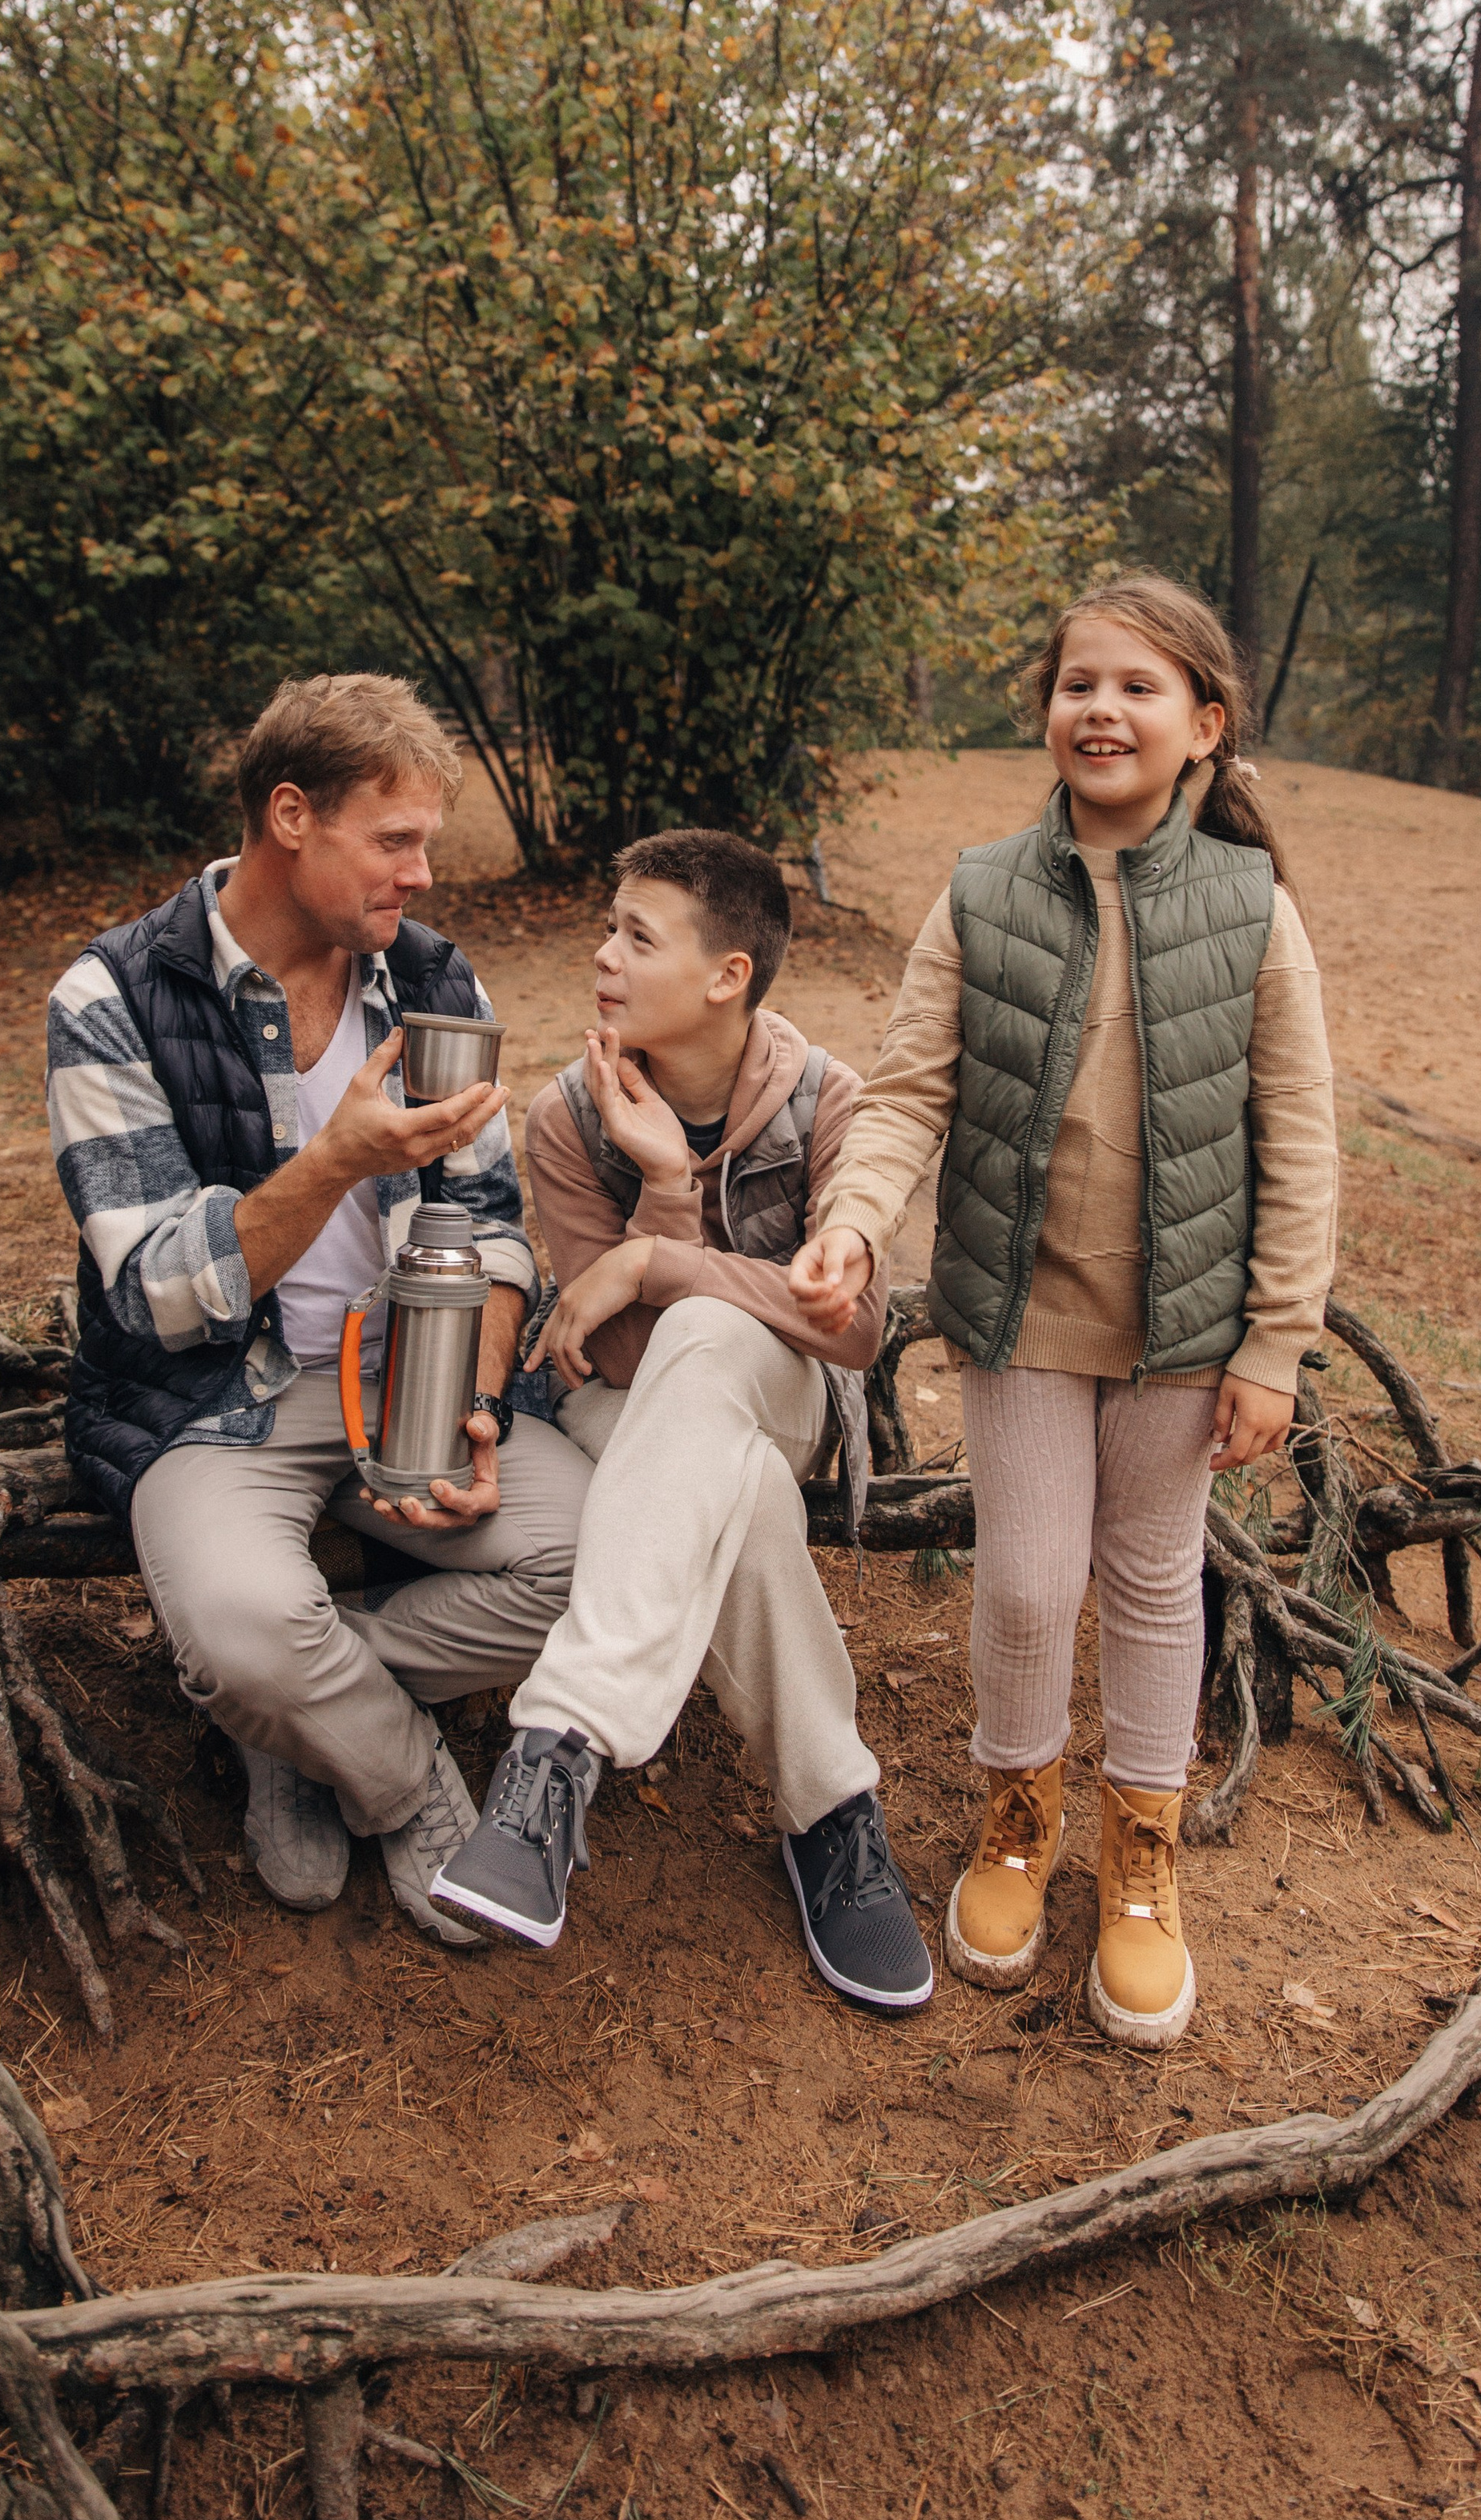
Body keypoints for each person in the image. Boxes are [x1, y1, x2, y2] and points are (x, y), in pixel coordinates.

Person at [788, 575, 1338, 2048]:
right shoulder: (982, 892)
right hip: (1022, 1304)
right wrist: (851, 1222)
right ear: (1047, 712)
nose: (1101, 709)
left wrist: (1275, 1341)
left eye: (1138, 688)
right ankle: (1018, 1815)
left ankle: (1142, 1860)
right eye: (1077, 684)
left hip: (1190, 1324)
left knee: (1155, 1577)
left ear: (1204, 725)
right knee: (1029, 1583)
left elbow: (1300, 1137)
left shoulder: (1252, 910)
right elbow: (907, 1092)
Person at [46, 674, 592, 1946]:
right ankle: (402, 1784)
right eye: (395, 841)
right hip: (208, 1406)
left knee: (605, 1563)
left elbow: (496, 1226)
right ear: (290, 816)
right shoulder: (113, 995)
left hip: (409, 1377)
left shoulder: (433, 980)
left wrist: (467, 1397)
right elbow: (155, 1292)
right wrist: (336, 1158)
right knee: (241, 1627)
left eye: (426, 845)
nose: (423, 875)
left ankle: (294, 1713)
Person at [429, 830, 934, 2014]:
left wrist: (654, 1256)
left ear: (728, 977)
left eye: (636, 937)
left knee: (715, 1345)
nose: (602, 955)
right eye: (609, 928)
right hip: (625, 1412)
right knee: (741, 1491)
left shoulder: (826, 1105)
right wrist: (660, 1185)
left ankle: (556, 1752)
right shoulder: (571, 1117)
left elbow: (853, 1333)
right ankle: (833, 1813)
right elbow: (610, 1353)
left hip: (788, 1400)